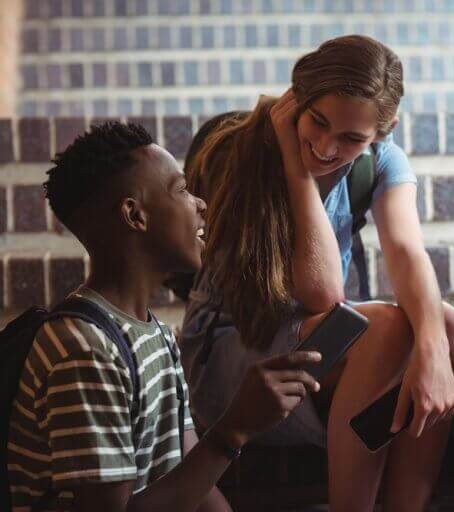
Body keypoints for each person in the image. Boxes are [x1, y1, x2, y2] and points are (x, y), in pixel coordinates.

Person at [180, 35, 454, 511]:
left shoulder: (381, 163)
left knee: (445, 324)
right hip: (229, 358)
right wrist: (296, 167)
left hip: (310, 347)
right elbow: (323, 293)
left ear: (384, 129)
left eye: (353, 138)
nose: (328, 147)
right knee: (385, 326)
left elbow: (407, 251)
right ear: (297, 100)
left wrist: (434, 350)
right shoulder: (237, 149)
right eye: (318, 122)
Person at [6, 122, 321, 511]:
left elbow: (191, 474)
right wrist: (234, 429)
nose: (201, 203)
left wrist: (232, 430)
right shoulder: (84, 349)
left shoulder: (153, 332)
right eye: (182, 189)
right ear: (135, 216)